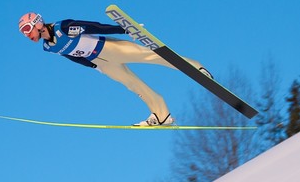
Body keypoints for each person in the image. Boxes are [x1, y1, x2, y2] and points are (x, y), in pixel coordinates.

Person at [18, 12, 213, 126]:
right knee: (134, 85)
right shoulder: (48, 47)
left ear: (38, 23)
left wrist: (123, 30)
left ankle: (196, 68)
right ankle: (162, 115)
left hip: (109, 48)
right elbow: (71, 56)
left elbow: (93, 27)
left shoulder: (64, 27)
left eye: (27, 29)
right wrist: (93, 66)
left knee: (151, 56)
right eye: (23, 33)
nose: (27, 35)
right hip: (102, 62)